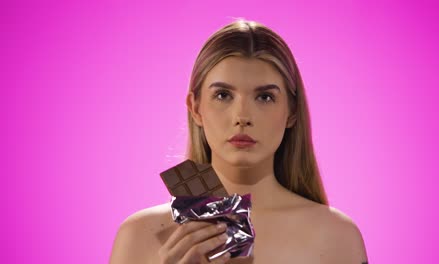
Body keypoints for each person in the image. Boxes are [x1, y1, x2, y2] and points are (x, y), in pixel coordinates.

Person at [110, 19, 368, 264]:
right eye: (223, 95)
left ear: (292, 112)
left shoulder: (338, 237)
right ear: (195, 108)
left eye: (265, 97)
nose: (242, 116)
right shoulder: (139, 236)